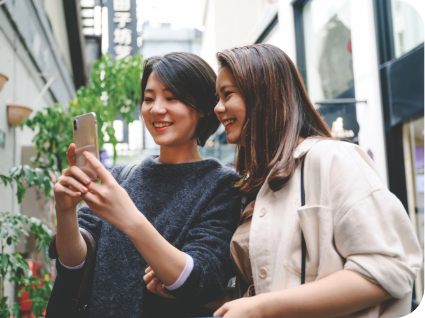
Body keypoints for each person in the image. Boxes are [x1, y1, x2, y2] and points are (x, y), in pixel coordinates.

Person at [145, 44, 423, 317]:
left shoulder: (331, 158)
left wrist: (262, 307)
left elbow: (389, 268)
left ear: (262, 94)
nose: (218, 108)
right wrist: (201, 294)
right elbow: (263, 293)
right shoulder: (252, 185)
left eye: (227, 95)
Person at [50, 52, 241, 317]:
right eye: (149, 98)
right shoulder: (119, 178)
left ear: (205, 107)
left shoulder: (223, 186)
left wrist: (128, 217)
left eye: (171, 97)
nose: (156, 109)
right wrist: (66, 211)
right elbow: (73, 267)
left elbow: (203, 281)